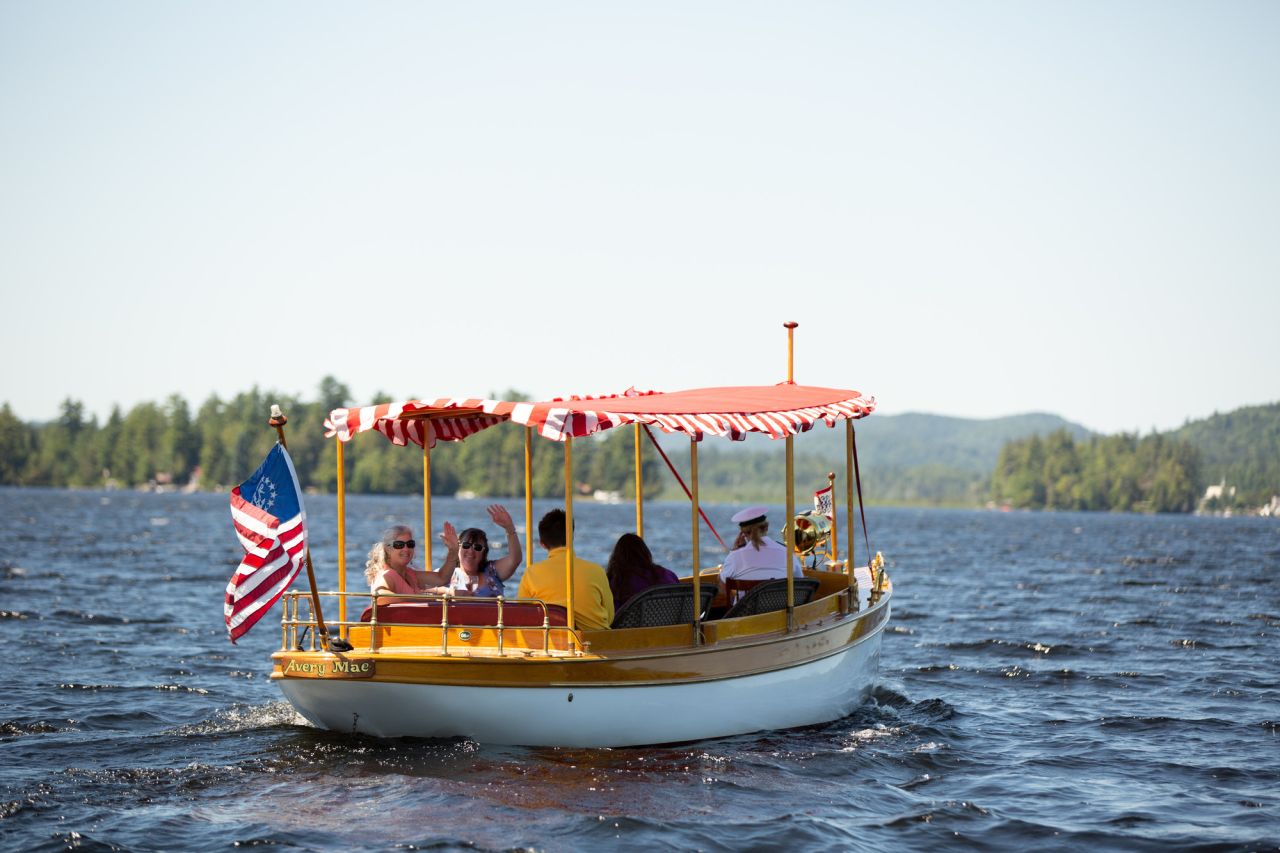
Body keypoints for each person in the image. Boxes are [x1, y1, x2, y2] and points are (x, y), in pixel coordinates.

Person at [516, 509, 613, 630]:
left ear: (542, 544)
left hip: (550, 643)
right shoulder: (597, 571)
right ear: (571, 537)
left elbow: (522, 616)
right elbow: (610, 616)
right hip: (597, 643)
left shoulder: (531, 573)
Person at [718, 505, 802, 602]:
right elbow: (799, 581)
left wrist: (735, 550)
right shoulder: (786, 553)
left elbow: (723, 583)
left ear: (743, 533)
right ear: (766, 527)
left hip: (746, 614)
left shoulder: (735, 556)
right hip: (781, 613)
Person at [436, 504, 523, 597]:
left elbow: (515, 560)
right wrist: (448, 591)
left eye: (477, 547)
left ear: (484, 553)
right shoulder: (445, 574)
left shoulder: (492, 571)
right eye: (466, 545)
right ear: (458, 548)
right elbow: (421, 588)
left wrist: (510, 529)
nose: (471, 551)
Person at [365, 525, 446, 596]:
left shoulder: (409, 574)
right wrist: (418, 598)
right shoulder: (388, 575)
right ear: (388, 549)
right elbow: (380, 594)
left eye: (410, 544)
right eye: (399, 545)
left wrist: (453, 550)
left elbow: (442, 578)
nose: (406, 549)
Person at [606, 532, 679, 610]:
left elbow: (612, 615)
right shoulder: (667, 574)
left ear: (617, 557)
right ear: (644, 552)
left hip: (635, 621)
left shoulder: (618, 583)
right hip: (674, 621)